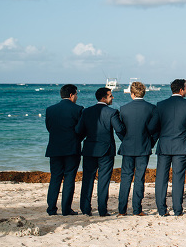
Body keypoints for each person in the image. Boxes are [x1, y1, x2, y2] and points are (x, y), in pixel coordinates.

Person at [76, 86, 126, 218]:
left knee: (87, 180)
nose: (112, 97)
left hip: (89, 149)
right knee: (104, 181)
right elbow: (119, 129)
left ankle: (85, 209)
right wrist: (126, 139)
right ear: (104, 98)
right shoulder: (112, 112)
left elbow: (79, 130)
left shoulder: (86, 111)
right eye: (110, 96)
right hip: (106, 150)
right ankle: (102, 210)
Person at [154, 79, 186, 218]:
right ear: (181, 90)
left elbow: (152, 126)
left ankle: (161, 210)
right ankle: (177, 209)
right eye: (185, 87)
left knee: (161, 178)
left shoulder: (161, 105)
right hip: (181, 146)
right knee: (178, 178)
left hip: (164, 145)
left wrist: (161, 132)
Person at [117, 80, 160, 216]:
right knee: (139, 178)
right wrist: (150, 143)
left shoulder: (124, 108)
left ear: (132, 94)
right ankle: (137, 209)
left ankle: (122, 210)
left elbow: (120, 129)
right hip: (143, 147)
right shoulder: (152, 108)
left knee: (125, 178)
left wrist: (125, 140)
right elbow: (155, 130)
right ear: (144, 93)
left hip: (128, 147)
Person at [45, 84, 83, 216]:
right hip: (72, 148)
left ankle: (51, 209)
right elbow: (81, 129)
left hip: (55, 148)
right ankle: (66, 209)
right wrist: (77, 139)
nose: (77, 97)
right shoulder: (78, 109)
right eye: (76, 94)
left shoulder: (50, 109)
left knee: (55, 178)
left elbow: (49, 127)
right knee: (69, 179)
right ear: (72, 95)